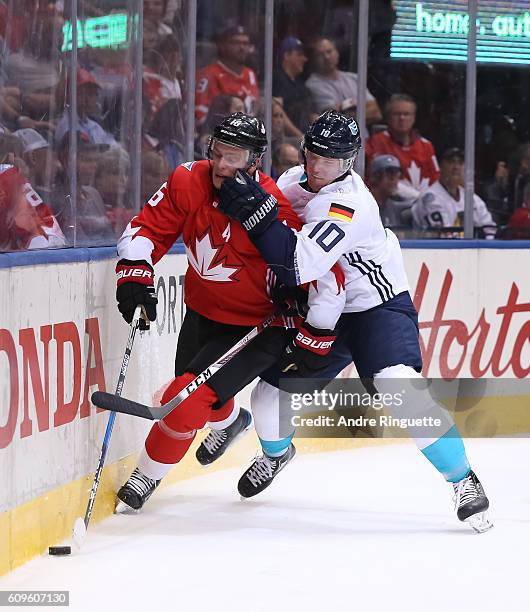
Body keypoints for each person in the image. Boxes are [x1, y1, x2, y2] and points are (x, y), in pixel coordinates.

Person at [217, 111, 492, 532]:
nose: (317, 166)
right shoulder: (293, 181)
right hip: (323, 309)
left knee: (397, 384)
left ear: (350, 161)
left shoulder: (350, 204)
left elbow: (299, 263)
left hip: (374, 307)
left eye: (330, 159)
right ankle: (276, 455)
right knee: (267, 399)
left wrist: (260, 217)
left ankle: (463, 480)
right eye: (313, 154)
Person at [113, 112, 343, 511]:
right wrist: (135, 270)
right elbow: (147, 227)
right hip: (203, 311)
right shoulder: (189, 179)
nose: (221, 165)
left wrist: (315, 325)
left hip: (259, 325)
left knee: (183, 399)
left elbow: (325, 274)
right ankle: (229, 422)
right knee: (200, 395)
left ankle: (144, 477)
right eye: (217, 154)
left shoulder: (273, 209)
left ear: (254, 162)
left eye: (233, 158)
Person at [412, 148, 496, 239]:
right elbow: (444, 237)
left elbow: (490, 228)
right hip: (437, 251)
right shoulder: (430, 198)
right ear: (441, 167)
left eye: (460, 163)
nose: (456, 167)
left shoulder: (471, 197)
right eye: (451, 162)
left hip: (468, 250)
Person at [366, 94, 439, 196]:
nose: (402, 118)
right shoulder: (375, 142)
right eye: (396, 114)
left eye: (406, 114)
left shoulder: (426, 146)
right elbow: (376, 181)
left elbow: (436, 181)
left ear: (414, 117)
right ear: (388, 117)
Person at [305, 37, 382, 126]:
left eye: (329, 51)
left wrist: (344, 110)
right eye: (320, 54)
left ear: (337, 53)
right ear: (314, 59)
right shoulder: (313, 84)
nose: (326, 57)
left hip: (363, 138)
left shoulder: (354, 78)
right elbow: (333, 118)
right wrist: (361, 110)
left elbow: (376, 113)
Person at [195, 23, 259, 126]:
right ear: (223, 46)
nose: (242, 48)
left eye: (245, 43)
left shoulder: (250, 74)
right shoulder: (209, 75)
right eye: (236, 43)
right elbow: (200, 117)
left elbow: (255, 109)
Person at [273, 36, 313, 132]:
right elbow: (278, 112)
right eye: (299, 55)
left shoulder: (302, 85)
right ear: (286, 56)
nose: (304, 59)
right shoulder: (276, 79)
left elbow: (310, 114)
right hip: (287, 138)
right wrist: (300, 137)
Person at [368, 153, 412, 229]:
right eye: (390, 174)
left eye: (396, 174)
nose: (394, 179)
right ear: (376, 177)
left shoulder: (396, 208)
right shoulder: (365, 205)